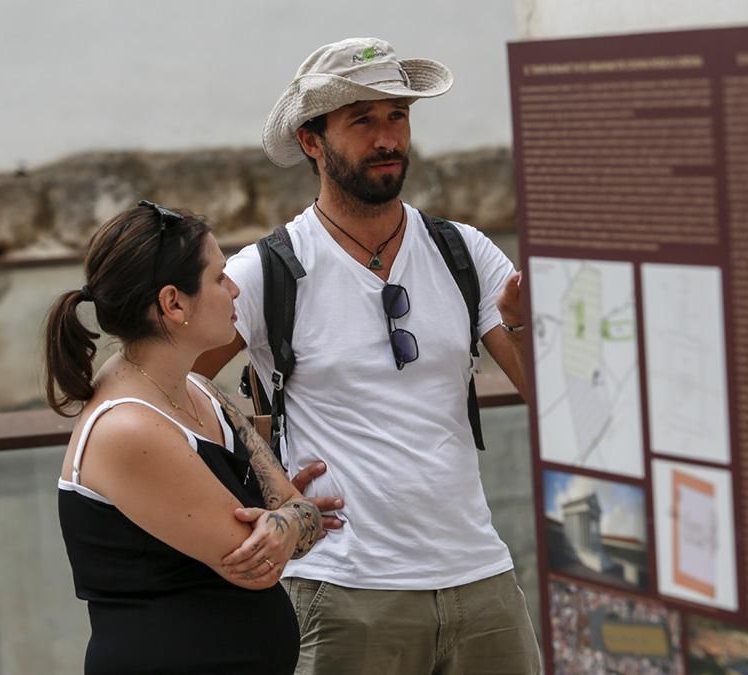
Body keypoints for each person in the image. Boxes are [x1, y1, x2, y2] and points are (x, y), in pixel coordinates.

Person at [194, 37, 541, 674]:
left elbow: (544, 400)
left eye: (397, 116)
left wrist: (518, 325)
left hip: (481, 579)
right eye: (362, 121)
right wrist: (264, 478)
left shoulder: (465, 251)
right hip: (344, 592)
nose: (388, 138)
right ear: (311, 141)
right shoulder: (268, 271)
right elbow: (166, 384)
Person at [46, 201, 325, 674]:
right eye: (219, 278)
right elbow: (260, 567)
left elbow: (301, 511)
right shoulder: (128, 428)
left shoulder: (199, 390)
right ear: (173, 304)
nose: (235, 288)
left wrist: (293, 521)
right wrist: (294, 521)